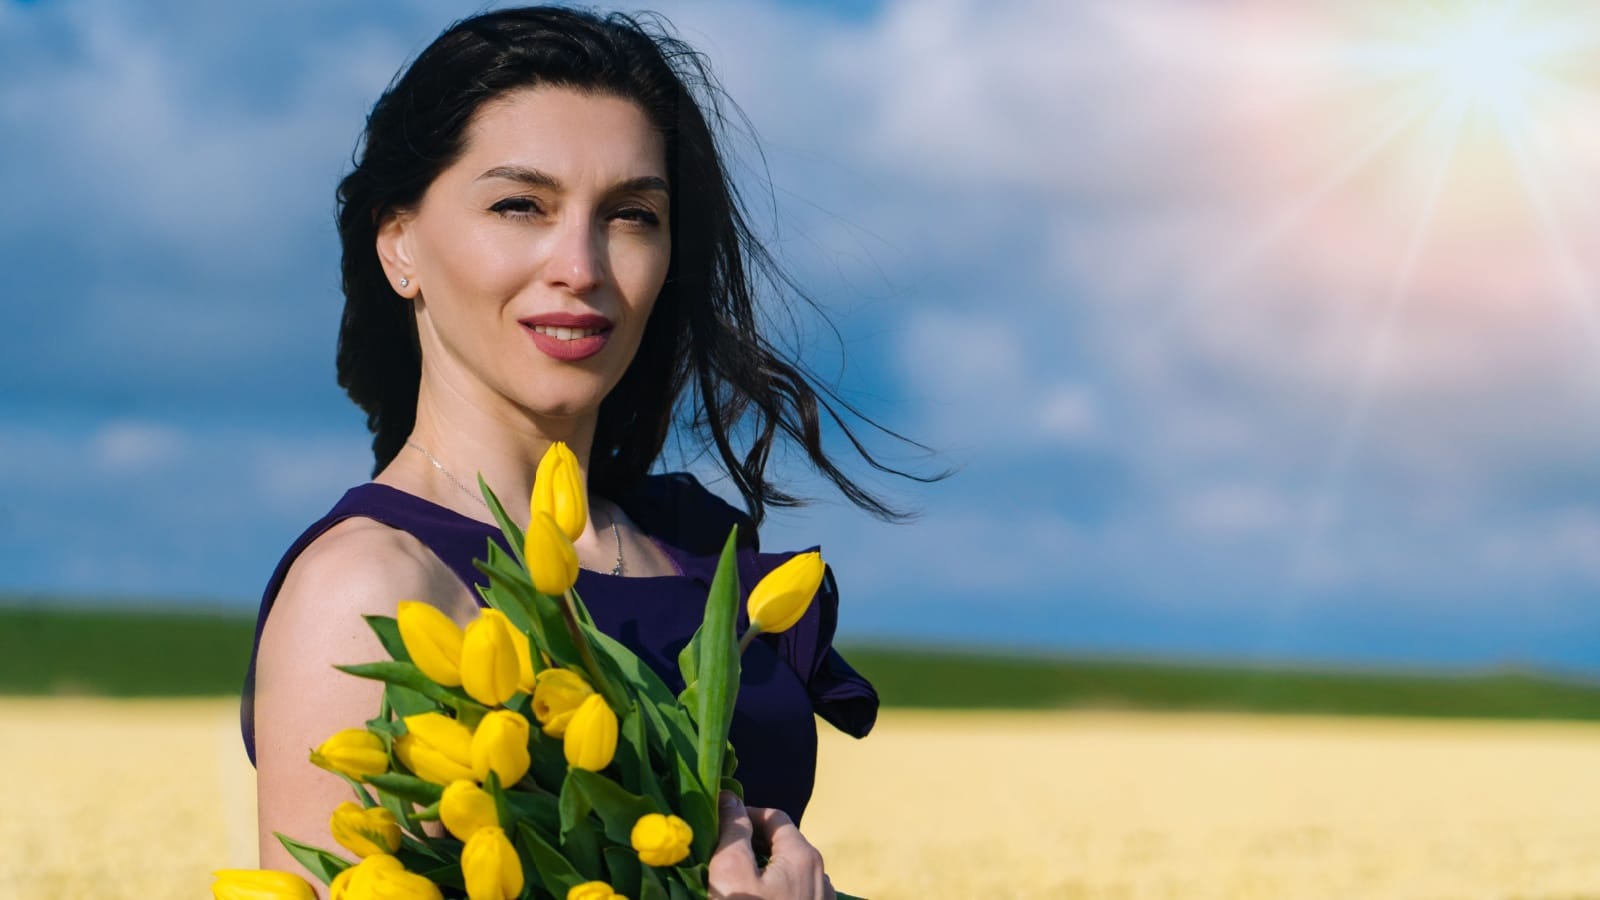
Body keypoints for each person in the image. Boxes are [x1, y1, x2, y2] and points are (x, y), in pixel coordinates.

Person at [240, 7, 931, 899]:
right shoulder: (368, 588)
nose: (582, 263)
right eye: (520, 204)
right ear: (399, 242)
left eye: (632, 215)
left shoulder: (688, 547)